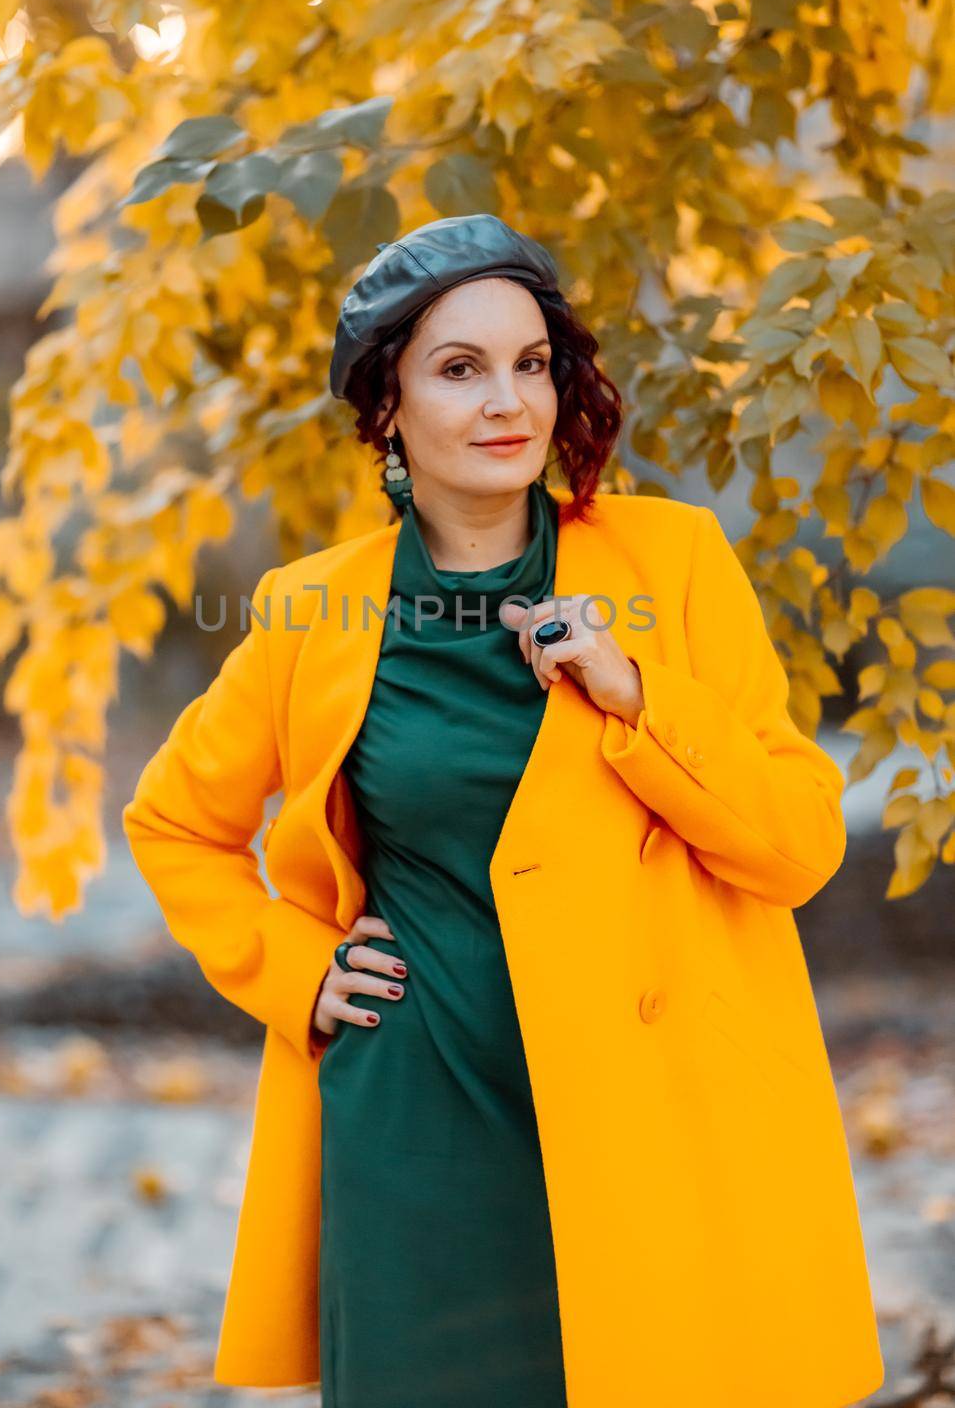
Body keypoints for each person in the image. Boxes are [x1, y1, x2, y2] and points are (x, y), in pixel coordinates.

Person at [123, 214, 885, 1408]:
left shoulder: (669, 565)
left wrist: (636, 699)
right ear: (388, 407)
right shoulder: (306, 613)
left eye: (529, 362)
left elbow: (795, 844)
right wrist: (295, 968)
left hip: (651, 1122)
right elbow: (173, 822)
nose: (506, 401)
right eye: (459, 367)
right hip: (415, 1121)